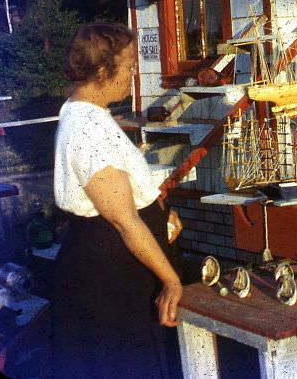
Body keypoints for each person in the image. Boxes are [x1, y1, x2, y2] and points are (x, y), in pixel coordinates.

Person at [51, 23, 183, 379]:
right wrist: (171, 280)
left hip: (119, 263)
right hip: (109, 274)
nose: (132, 74)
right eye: (127, 66)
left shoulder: (89, 114)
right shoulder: (87, 128)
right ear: (102, 71)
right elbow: (123, 219)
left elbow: (125, 193)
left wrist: (160, 211)